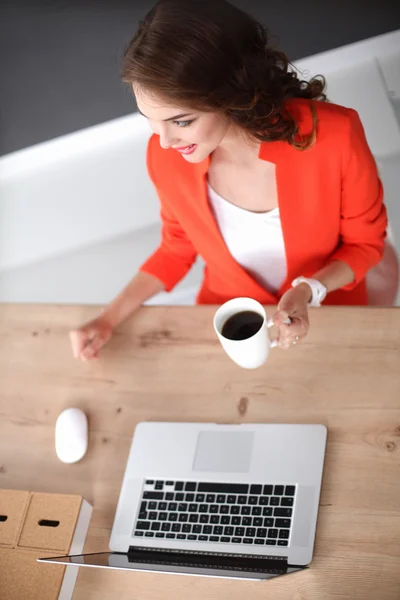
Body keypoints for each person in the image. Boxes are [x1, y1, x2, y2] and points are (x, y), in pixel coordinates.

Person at [70, 0, 388, 361]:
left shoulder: (333, 135)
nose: (164, 141)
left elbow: (365, 244)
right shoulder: (165, 156)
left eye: (181, 121)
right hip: (227, 318)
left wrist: (308, 291)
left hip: (327, 311)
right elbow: (177, 246)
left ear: (230, 96)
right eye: (150, 120)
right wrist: (108, 319)